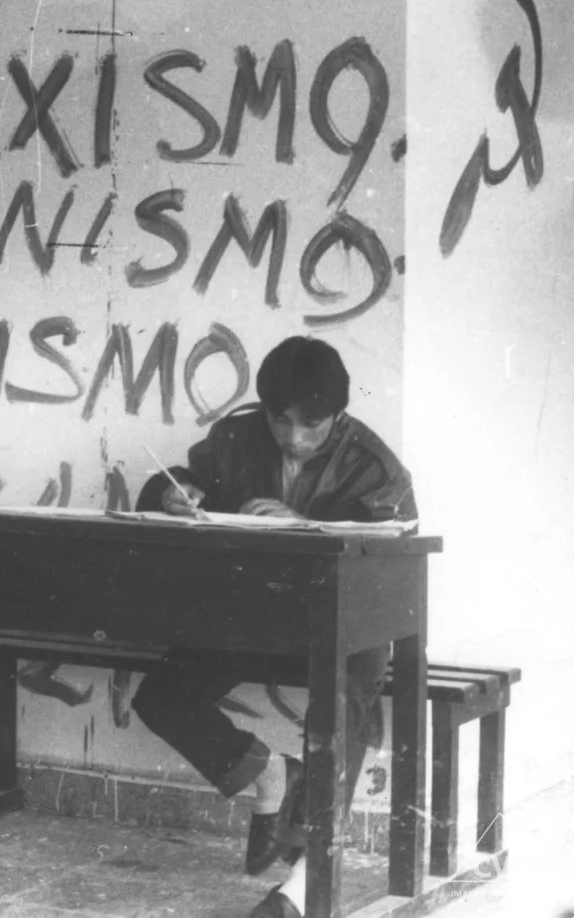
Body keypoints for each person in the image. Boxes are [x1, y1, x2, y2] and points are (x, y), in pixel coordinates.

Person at [130, 335, 417, 918]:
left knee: (342, 703)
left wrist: (305, 525)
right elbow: (181, 476)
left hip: (344, 625)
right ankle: (269, 777)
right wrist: (172, 493)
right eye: (280, 421)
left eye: (311, 423)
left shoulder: (375, 464)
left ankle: (306, 884)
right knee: (161, 697)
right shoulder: (235, 437)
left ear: (338, 414)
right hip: (251, 615)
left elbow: (396, 561)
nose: (293, 437)